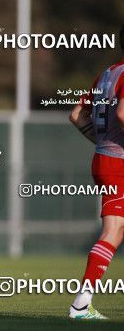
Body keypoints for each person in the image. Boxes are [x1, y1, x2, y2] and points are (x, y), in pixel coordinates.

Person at [68, 26, 124, 320]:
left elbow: (76, 114)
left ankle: (81, 304)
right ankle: (80, 304)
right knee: (112, 233)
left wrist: (102, 143)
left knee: (115, 232)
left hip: (105, 159)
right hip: (119, 164)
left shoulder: (107, 74)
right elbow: (123, 114)